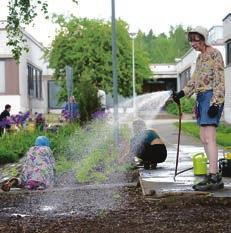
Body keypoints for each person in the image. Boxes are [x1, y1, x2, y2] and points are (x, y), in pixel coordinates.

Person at [172, 26, 225, 191]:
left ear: (203, 38)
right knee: (203, 138)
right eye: (191, 40)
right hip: (202, 98)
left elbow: (219, 79)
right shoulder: (201, 58)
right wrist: (182, 93)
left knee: (210, 138)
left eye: (195, 40)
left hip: (211, 97)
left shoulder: (215, 54)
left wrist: (215, 103)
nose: (193, 44)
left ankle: (214, 177)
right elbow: (195, 80)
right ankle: (212, 174)